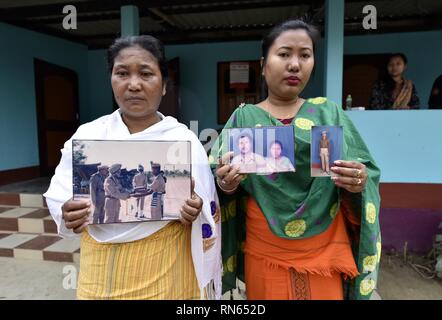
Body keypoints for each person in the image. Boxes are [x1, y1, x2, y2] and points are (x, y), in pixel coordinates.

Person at [211, 19, 381, 300]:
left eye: (305, 55)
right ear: (264, 64)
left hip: (324, 246)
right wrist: (226, 183)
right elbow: (214, 182)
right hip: (265, 248)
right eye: (284, 54)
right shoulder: (244, 118)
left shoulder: (328, 114)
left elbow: (366, 174)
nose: (295, 64)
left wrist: (359, 181)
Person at [44, 35, 221, 300]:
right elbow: (58, 195)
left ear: (163, 85)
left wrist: (194, 209)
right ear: (111, 80)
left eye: (146, 74)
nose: (134, 84)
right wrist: (67, 211)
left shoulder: (183, 140)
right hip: (101, 270)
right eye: (122, 73)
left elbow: (204, 205)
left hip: (166, 268)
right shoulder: (89, 135)